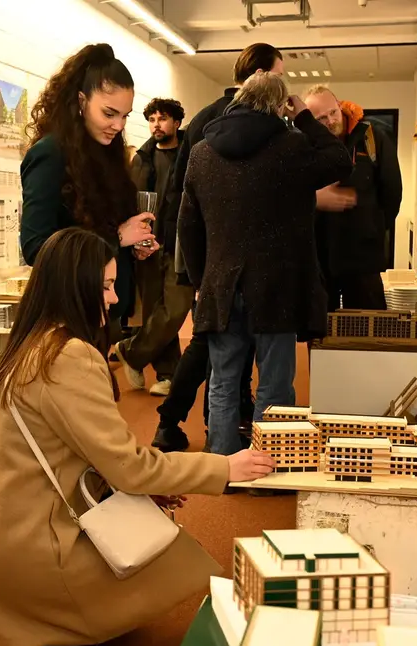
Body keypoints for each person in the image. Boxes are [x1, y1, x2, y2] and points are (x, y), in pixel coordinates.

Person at [0, 228, 275, 646]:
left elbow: (89, 457)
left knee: (148, 535)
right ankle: (38, 639)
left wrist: (144, 485)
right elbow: (129, 466)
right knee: (158, 556)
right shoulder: (67, 357)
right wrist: (226, 468)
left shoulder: (29, 348)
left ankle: (31, 629)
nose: (114, 297)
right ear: (76, 288)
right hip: (28, 547)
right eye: (105, 286)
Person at [178, 72, 353, 456]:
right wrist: (305, 117)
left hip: (222, 285)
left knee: (223, 380)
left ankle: (223, 464)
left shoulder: (202, 152)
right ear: (279, 107)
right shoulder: (291, 145)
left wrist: (199, 279)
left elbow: (187, 226)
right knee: (275, 385)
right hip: (278, 288)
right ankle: (268, 464)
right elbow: (340, 161)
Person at [151, 43, 284, 454]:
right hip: (222, 258)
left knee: (221, 355)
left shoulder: (207, 119)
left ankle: (217, 437)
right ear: (262, 75)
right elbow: (188, 194)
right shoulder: (264, 128)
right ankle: (177, 421)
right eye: (279, 73)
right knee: (211, 348)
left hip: (210, 259)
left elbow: (182, 194)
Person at [17, 43, 156, 347]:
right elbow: (36, 247)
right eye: (109, 113)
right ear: (81, 100)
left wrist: (131, 247)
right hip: (68, 316)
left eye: (124, 116)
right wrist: (117, 237)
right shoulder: (50, 154)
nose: (117, 126)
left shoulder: (104, 154)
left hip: (102, 312)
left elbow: (97, 229)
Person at [116, 98, 194, 396]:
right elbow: (129, 202)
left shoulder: (190, 155)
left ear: (176, 122)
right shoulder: (142, 159)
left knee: (175, 308)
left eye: (163, 119)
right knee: (153, 311)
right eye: (152, 119)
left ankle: (132, 351)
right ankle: (168, 373)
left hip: (180, 245)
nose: (156, 125)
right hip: (146, 245)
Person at [305, 87, 403, 310]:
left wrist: (374, 227)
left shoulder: (372, 137)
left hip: (363, 256)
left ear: (340, 106)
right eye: (320, 118)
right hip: (319, 257)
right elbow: (289, 194)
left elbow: (392, 193)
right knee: (319, 334)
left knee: (369, 333)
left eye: (332, 113)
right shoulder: (304, 146)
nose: (330, 121)